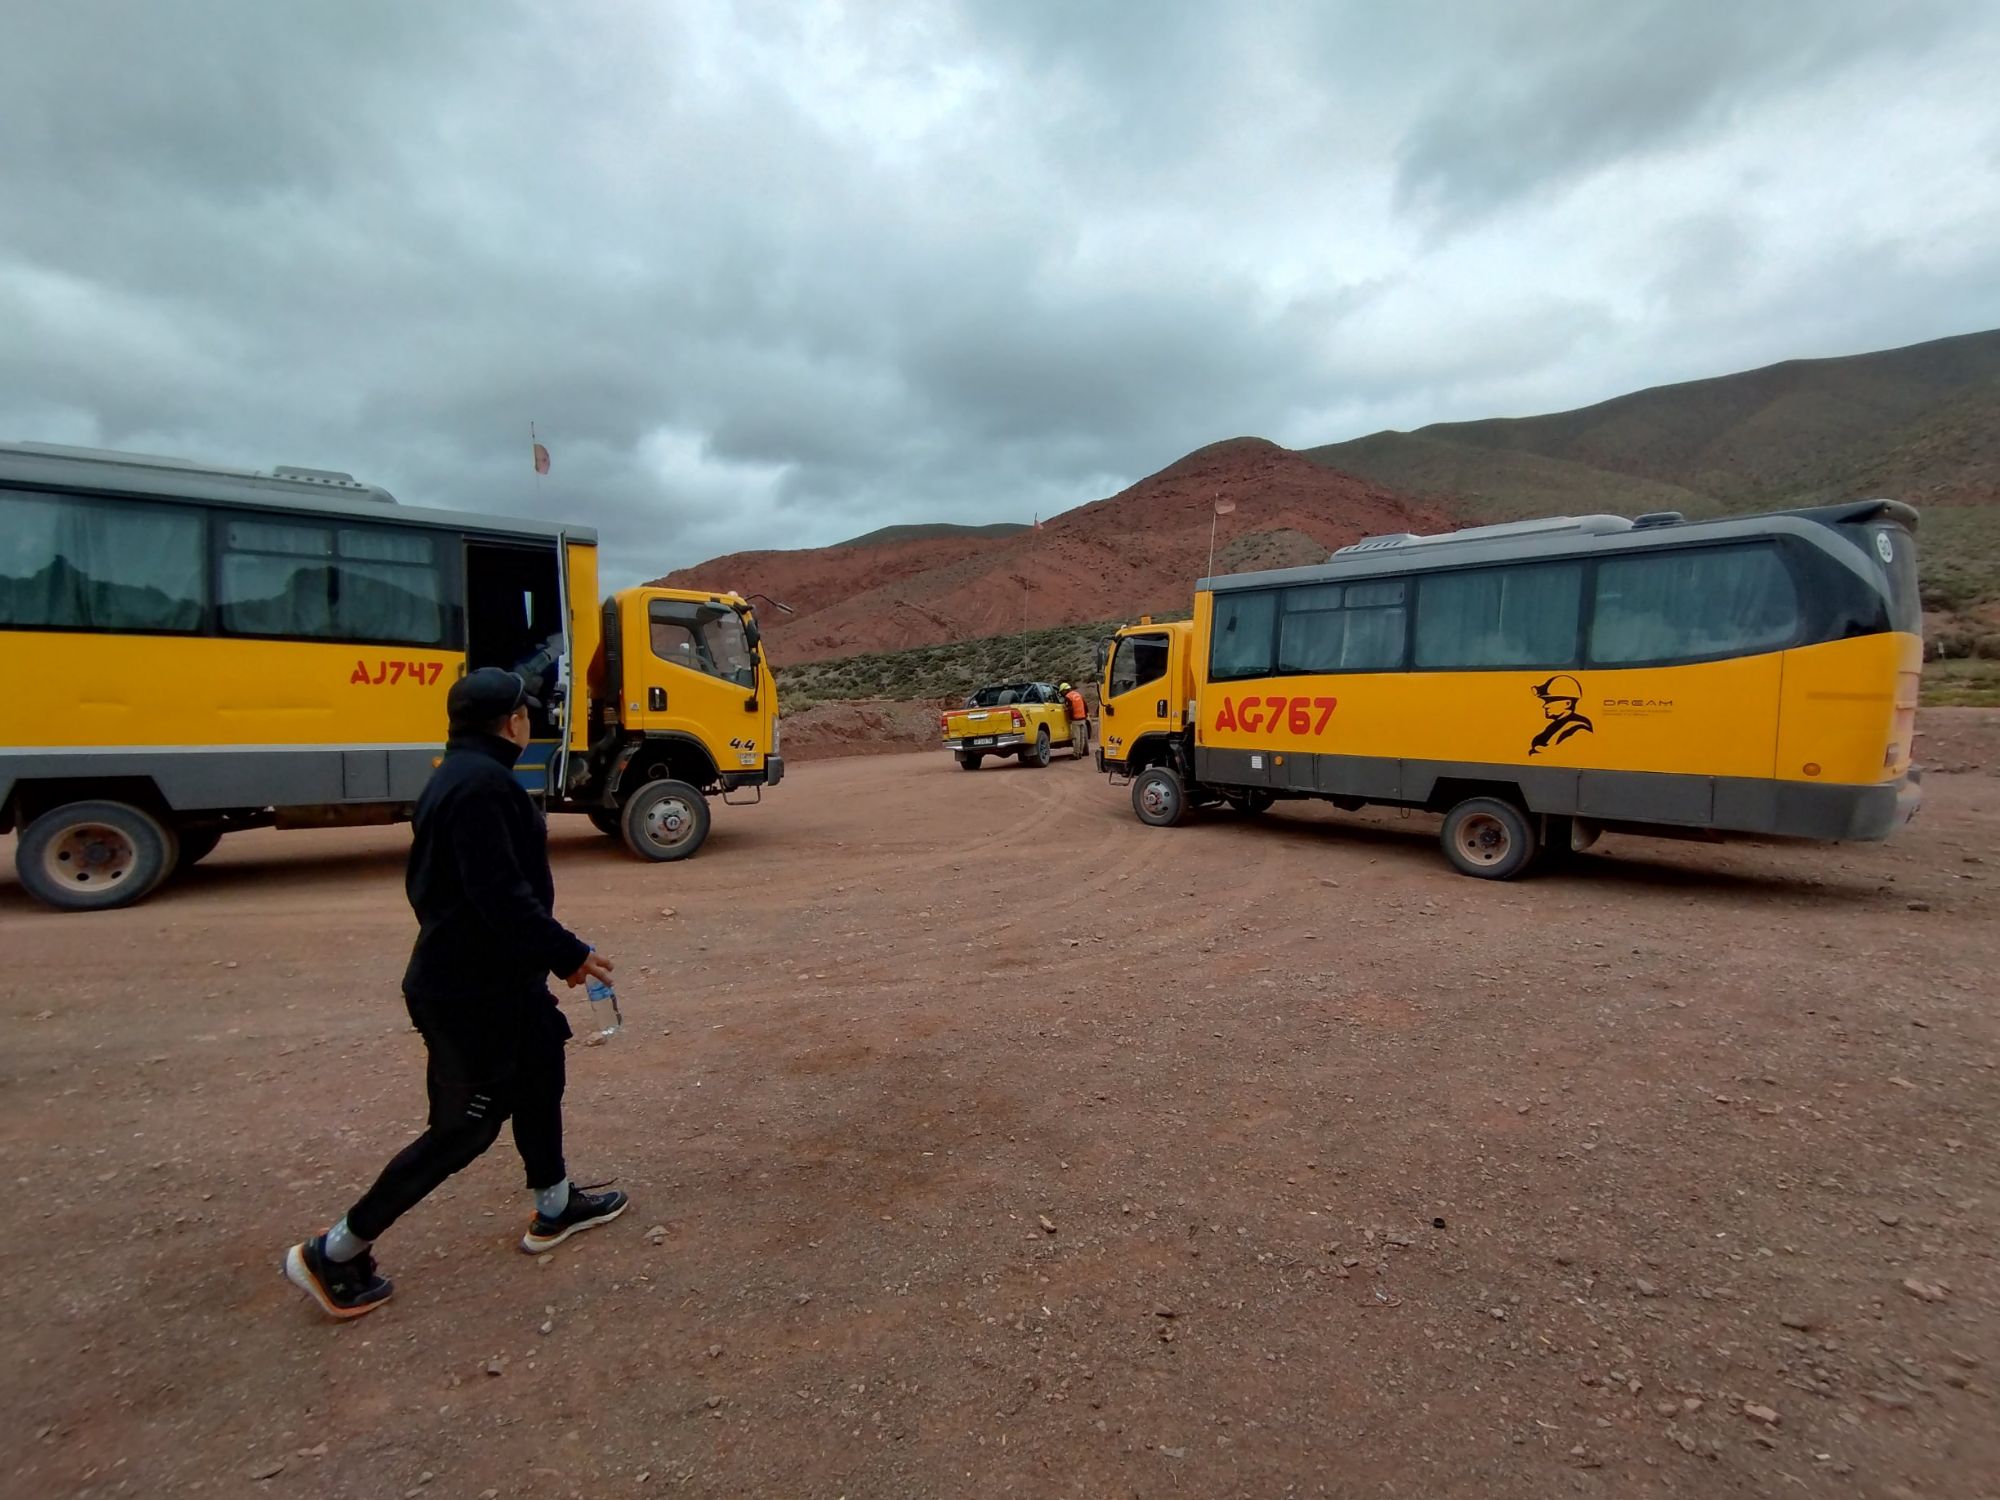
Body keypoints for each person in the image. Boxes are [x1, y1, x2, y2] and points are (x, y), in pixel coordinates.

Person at [284, 667, 627, 1320]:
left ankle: (555, 1206)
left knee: (540, 1070)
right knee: (463, 1129)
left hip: (499, 981)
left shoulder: (460, 776)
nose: (530, 720)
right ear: (513, 722)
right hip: (467, 993)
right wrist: (568, 954)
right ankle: (336, 1251)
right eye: (526, 712)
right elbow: (498, 894)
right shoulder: (481, 786)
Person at [1060, 681, 1089, 756]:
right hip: (1082, 718)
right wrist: (1085, 716)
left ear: (1065, 690)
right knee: (1082, 737)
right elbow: (1085, 705)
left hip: (1075, 720)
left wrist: (1070, 718)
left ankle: (1076, 754)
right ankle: (1080, 752)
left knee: (1076, 738)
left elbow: (1070, 709)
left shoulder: (1068, 697)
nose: (1062, 694)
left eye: (1062, 692)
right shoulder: (1078, 694)